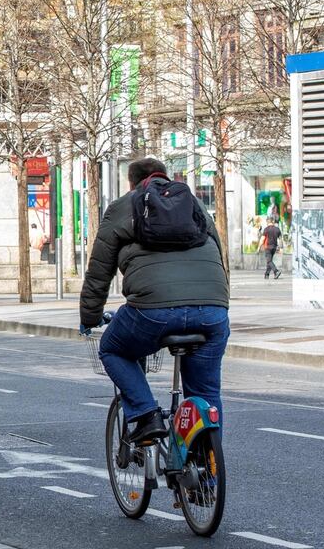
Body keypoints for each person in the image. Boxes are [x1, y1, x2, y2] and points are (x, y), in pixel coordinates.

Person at [79, 157, 230, 445]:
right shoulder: (194, 204)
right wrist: (218, 302)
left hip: (153, 312)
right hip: (212, 311)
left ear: (131, 182)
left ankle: (147, 414)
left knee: (113, 348)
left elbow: (99, 271)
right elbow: (218, 255)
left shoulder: (123, 206)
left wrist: (89, 316)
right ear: (165, 175)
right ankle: (208, 477)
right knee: (206, 394)